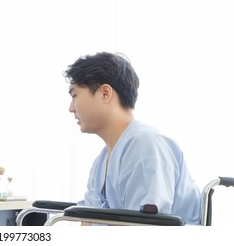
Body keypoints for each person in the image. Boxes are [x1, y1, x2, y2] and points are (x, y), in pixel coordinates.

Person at [64, 52, 201, 225]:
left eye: (74, 95)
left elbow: (145, 230)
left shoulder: (144, 145)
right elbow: (87, 221)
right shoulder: (101, 162)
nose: (71, 108)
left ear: (105, 93)